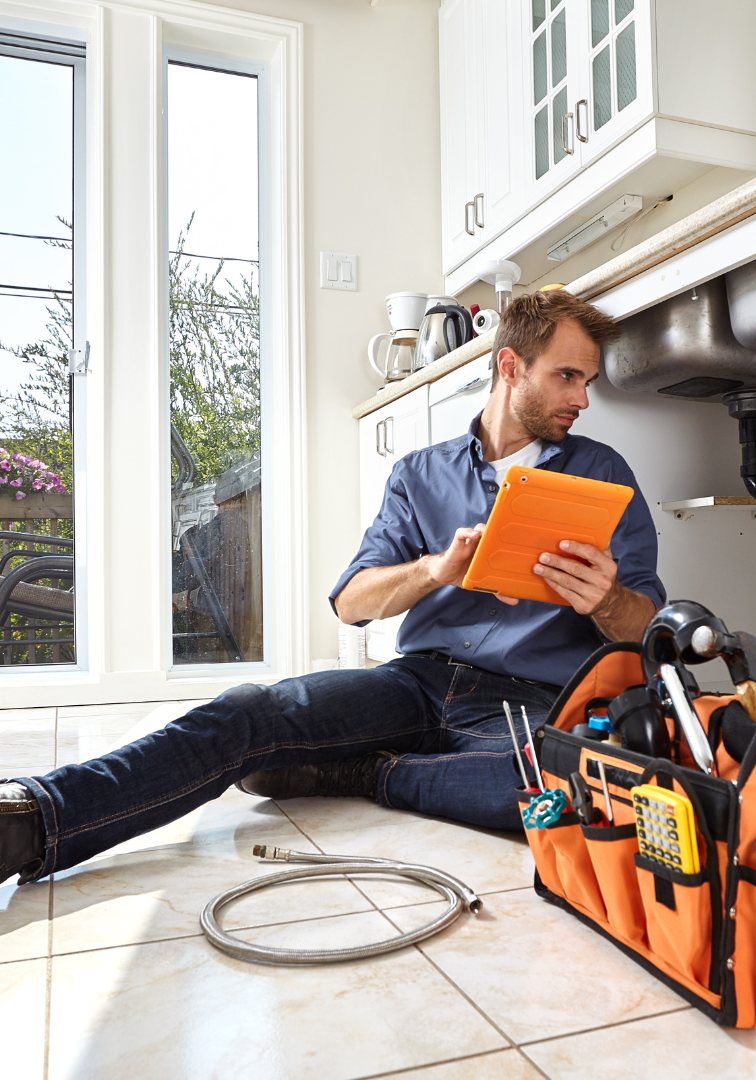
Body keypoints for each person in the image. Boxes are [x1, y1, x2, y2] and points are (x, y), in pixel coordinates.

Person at [0, 291, 665, 887]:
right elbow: (351, 603)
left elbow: (646, 626)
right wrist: (434, 570)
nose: (582, 398)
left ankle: (358, 772)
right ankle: (38, 817)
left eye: (588, 381)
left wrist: (605, 599)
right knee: (249, 712)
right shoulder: (420, 474)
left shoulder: (603, 474)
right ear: (511, 366)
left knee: (564, 780)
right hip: (416, 681)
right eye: (567, 376)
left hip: (525, 702)